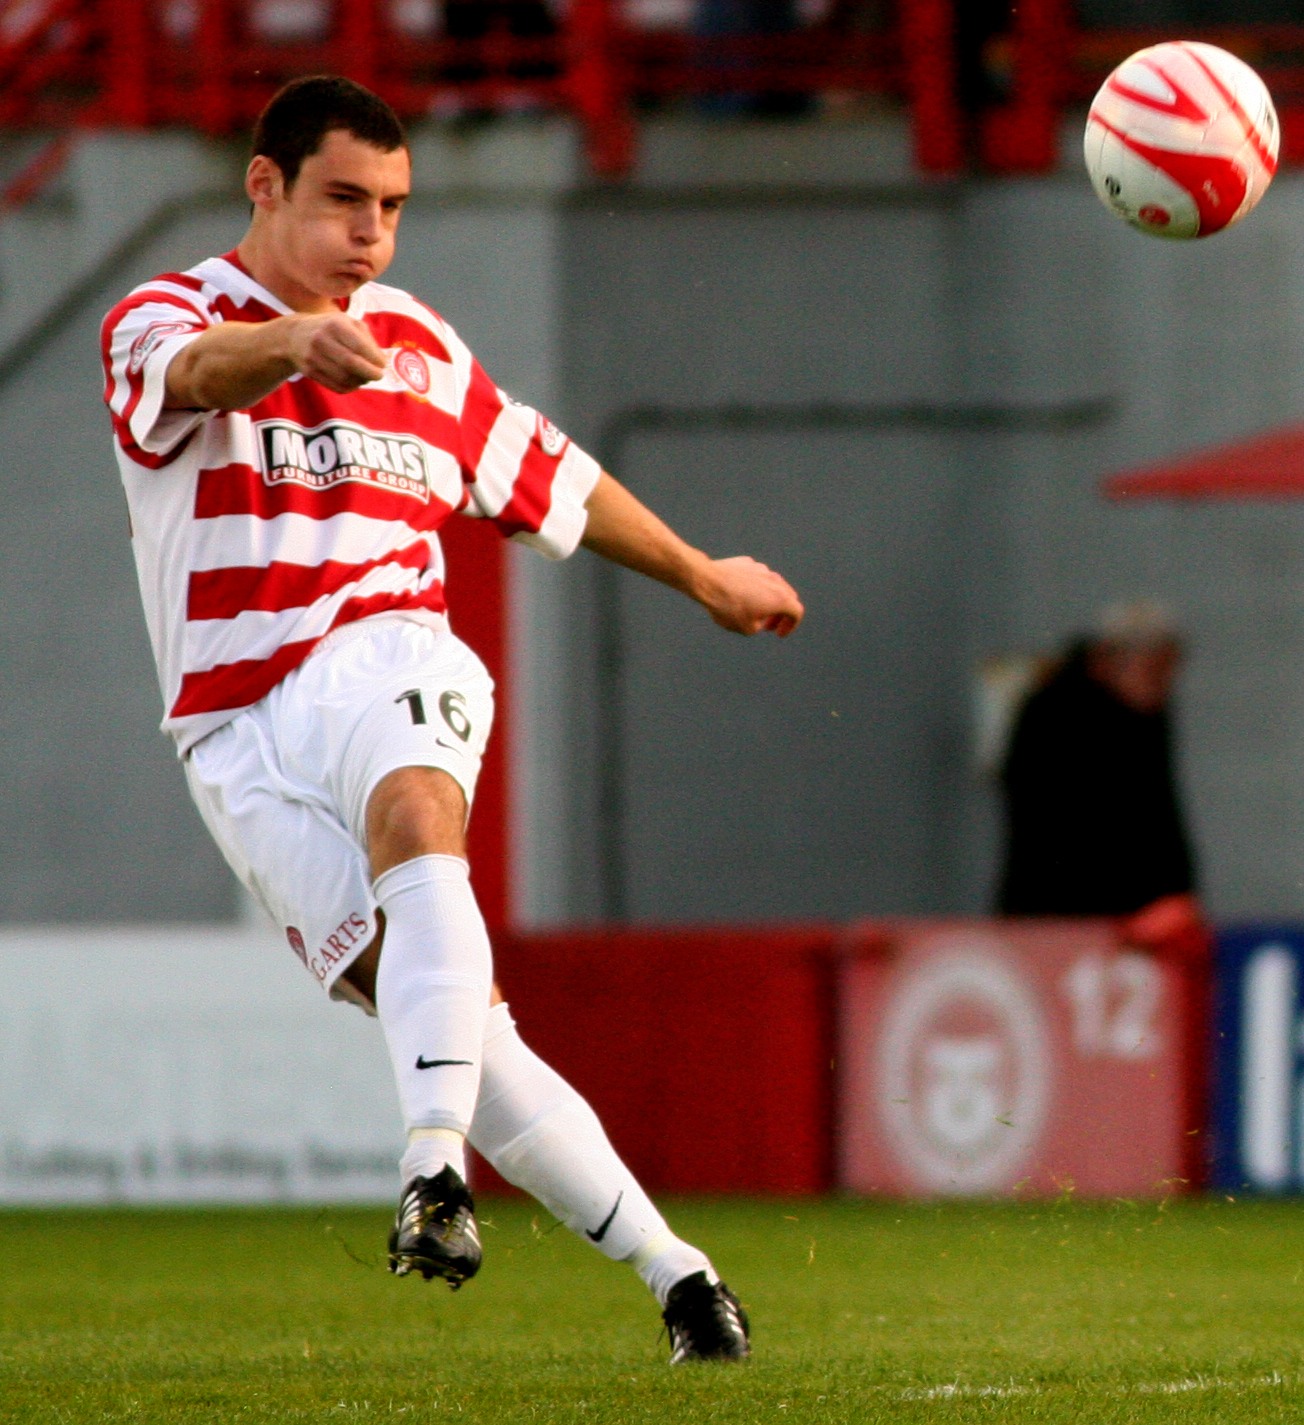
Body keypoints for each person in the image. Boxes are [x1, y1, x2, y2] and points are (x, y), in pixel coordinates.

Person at [100, 75, 803, 1363]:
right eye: (343, 201)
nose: (370, 235)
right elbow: (189, 373)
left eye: (393, 209)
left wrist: (704, 573)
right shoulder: (168, 314)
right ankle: (683, 1279)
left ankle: (431, 1173)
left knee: (421, 813)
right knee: (462, 1027)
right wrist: (286, 346)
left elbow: (550, 474)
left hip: (385, 652)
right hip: (235, 730)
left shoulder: (416, 341)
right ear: (265, 186)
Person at [996, 600, 1200, 939]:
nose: (1164, 685)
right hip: (1058, 918)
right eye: (1154, 670)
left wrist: (1176, 895)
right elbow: (1055, 829)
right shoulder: (1053, 716)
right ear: (1107, 661)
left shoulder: (1145, 713)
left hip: (1128, 919)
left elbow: (1161, 813)